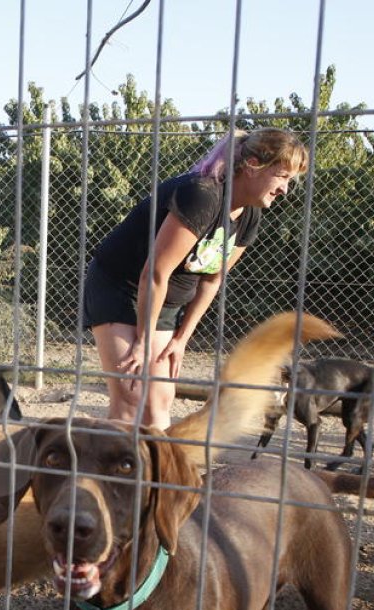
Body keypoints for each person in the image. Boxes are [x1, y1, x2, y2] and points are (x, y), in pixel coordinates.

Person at [82, 127, 308, 428]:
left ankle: (155, 474)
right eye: (282, 176)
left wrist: (181, 339)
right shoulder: (202, 195)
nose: (285, 190)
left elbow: (212, 279)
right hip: (123, 288)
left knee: (159, 400)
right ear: (253, 165)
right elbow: (156, 271)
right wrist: (144, 341)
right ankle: (114, 473)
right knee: (131, 396)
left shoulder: (250, 215)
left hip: (166, 301)